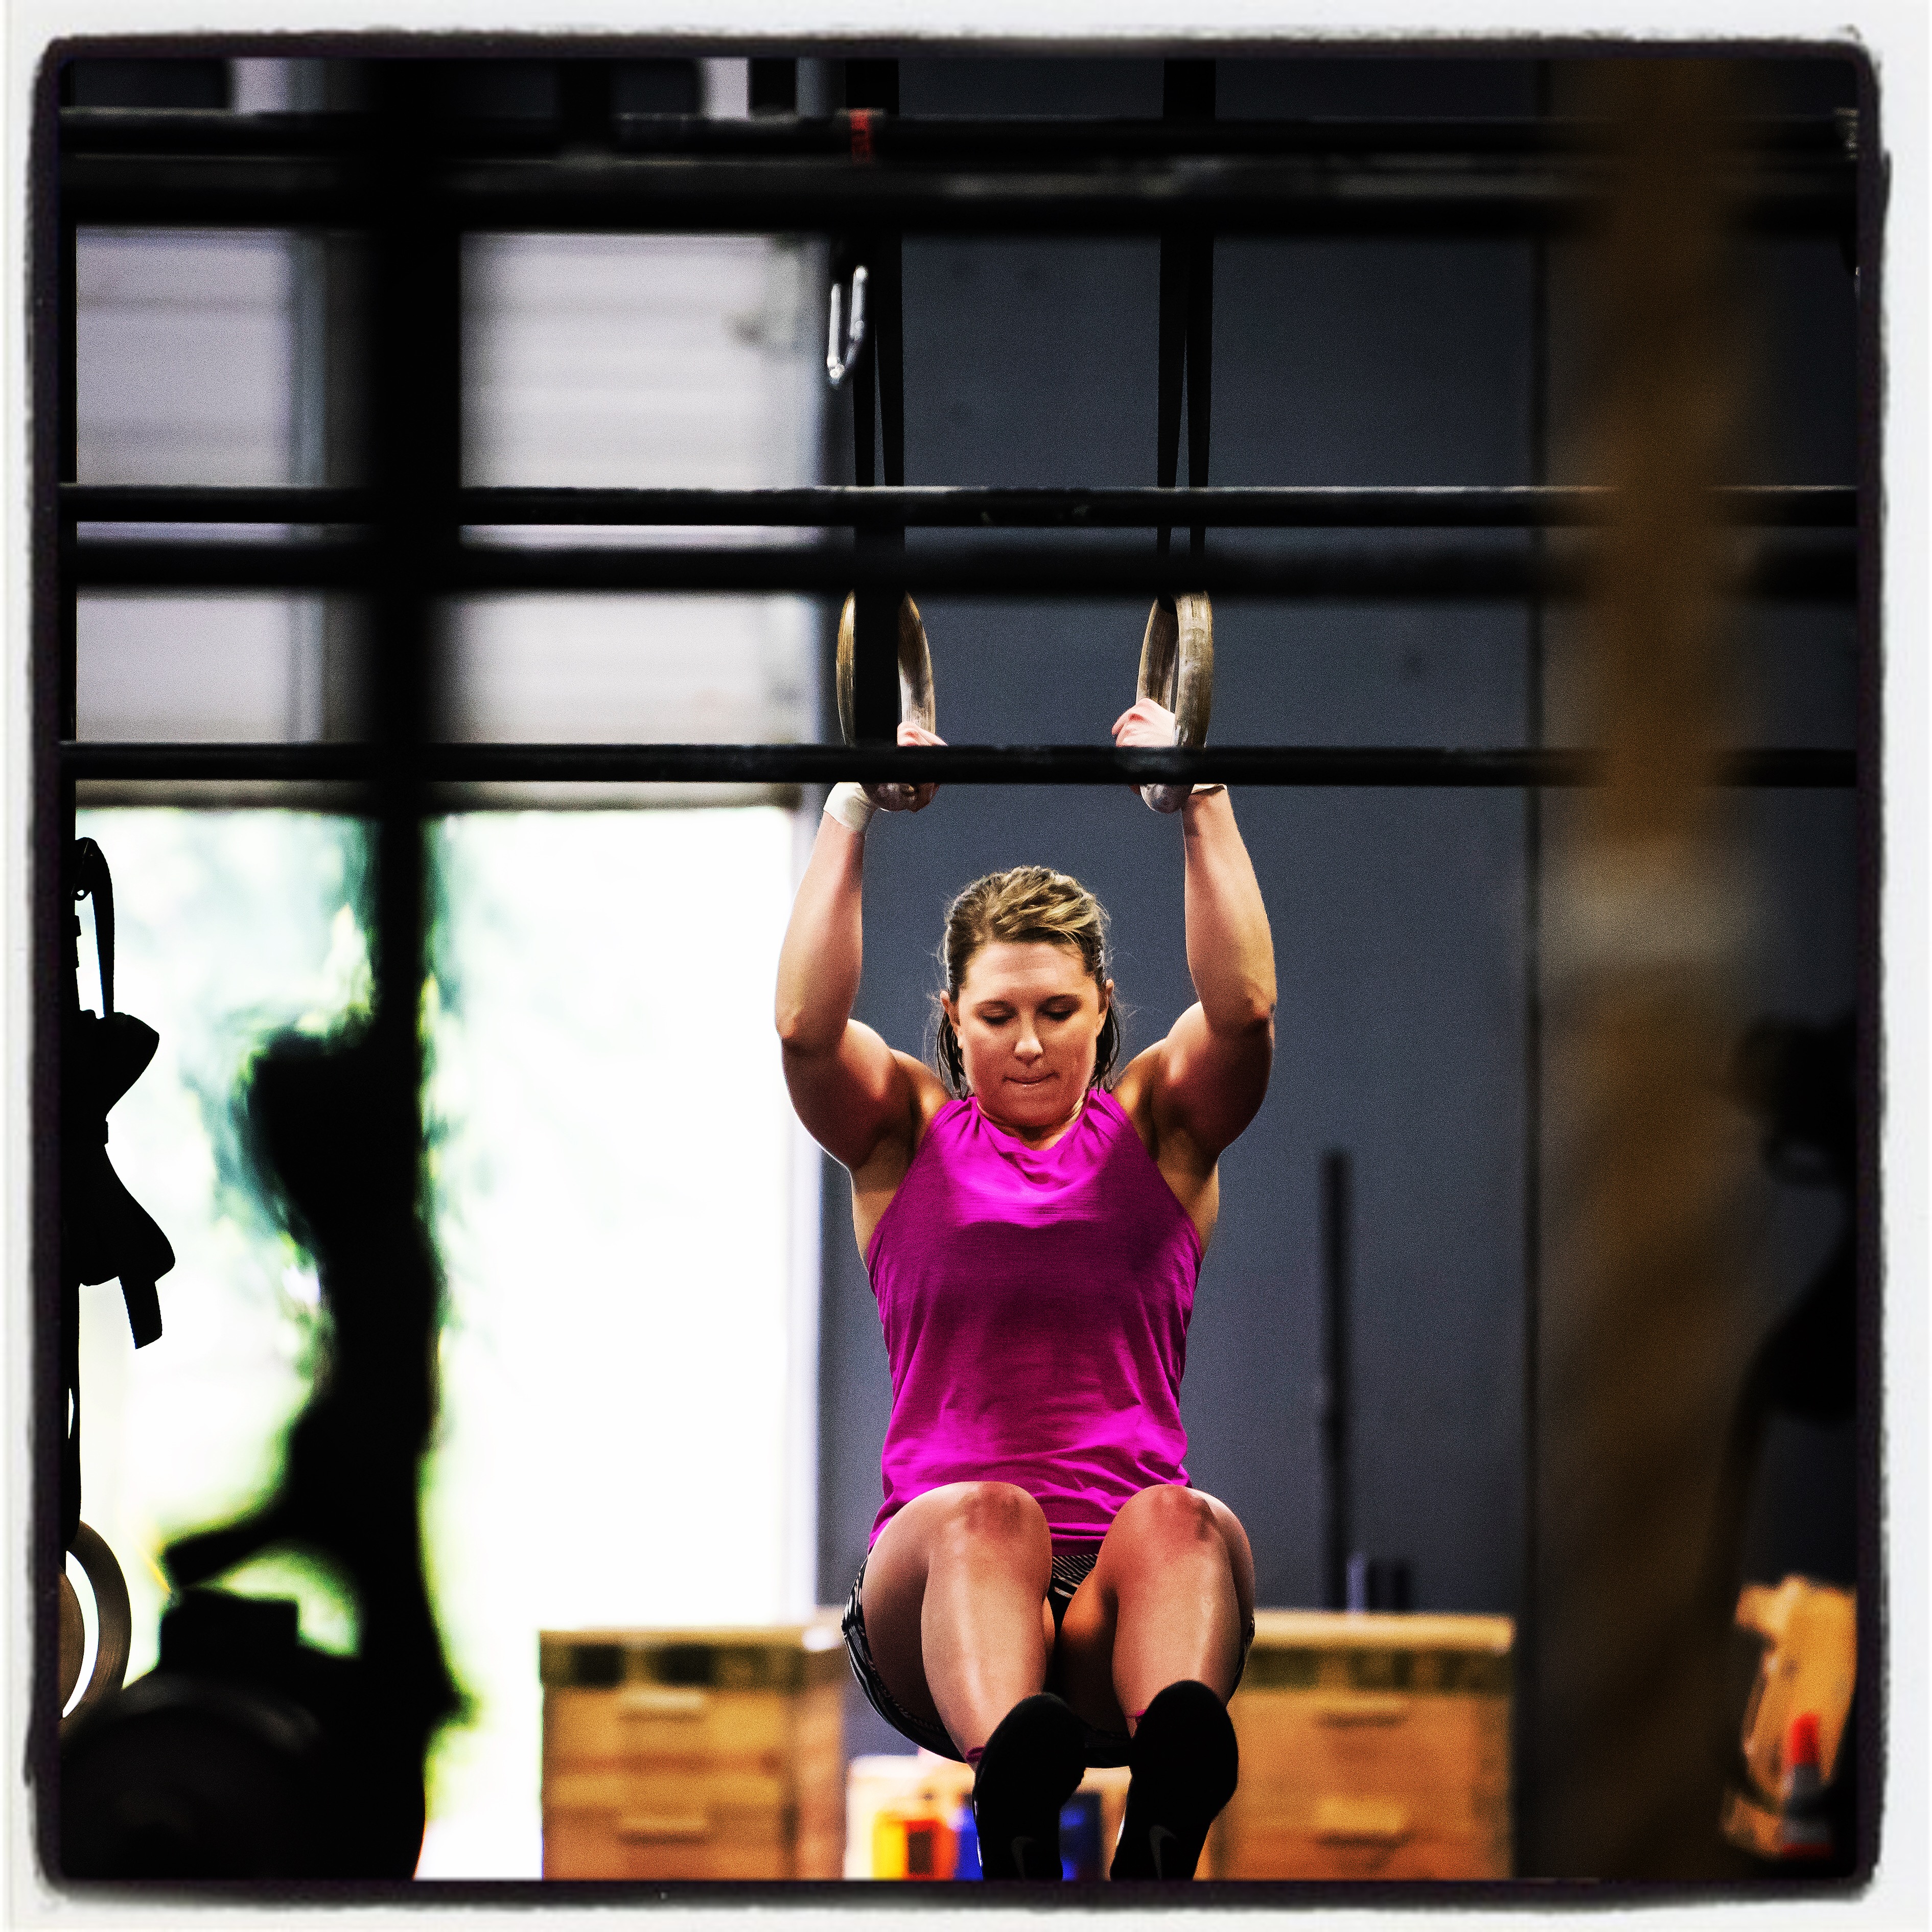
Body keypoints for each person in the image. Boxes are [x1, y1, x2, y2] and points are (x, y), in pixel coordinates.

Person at [774, 696, 1276, 1881]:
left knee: (1186, 1518)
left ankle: (1161, 1836)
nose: (1032, 1043)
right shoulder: (902, 1133)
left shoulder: (1160, 1130)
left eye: (1057, 1011)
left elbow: (1246, 1009)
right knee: (988, 1513)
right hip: (939, 1603)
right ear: (954, 1021)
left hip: (1120, 1607)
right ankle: (1014, 1802)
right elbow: (803, 1028)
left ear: (1103, 1006)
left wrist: (1197, 795)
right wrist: (851, 803)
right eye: (998, 1016)